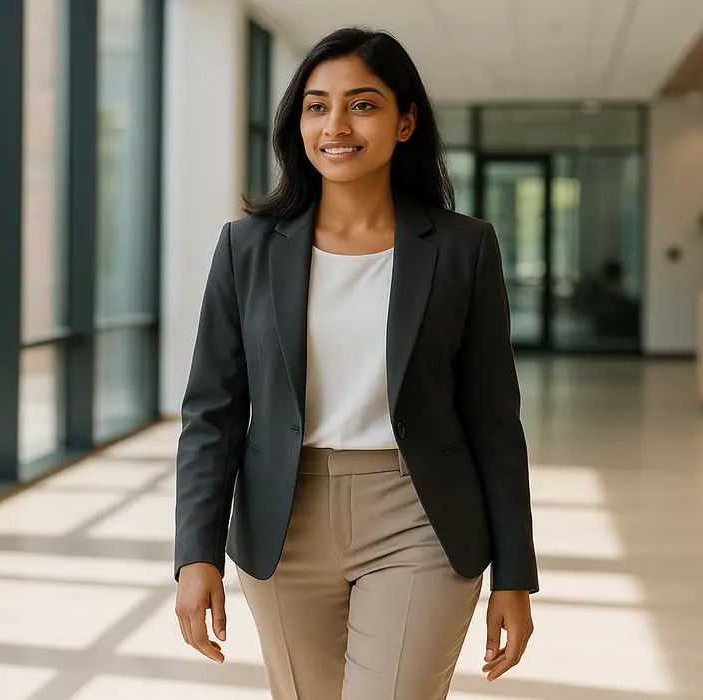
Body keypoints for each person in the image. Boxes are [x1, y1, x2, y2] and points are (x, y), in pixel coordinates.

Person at [173, 26, 538, 700]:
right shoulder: (247, 249)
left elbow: (494, 419)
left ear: (405, 123)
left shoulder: (463, 248)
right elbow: (212, 413)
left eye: (362, 105)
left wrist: (515, 575)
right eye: (317, 106)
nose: (336, 125)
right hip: (284, 522)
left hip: (419, 514)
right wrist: (195, 554)